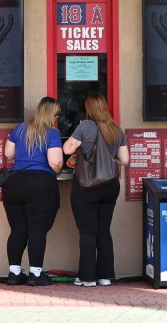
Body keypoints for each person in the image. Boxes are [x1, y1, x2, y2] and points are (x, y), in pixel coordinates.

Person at [62, 94, 129, 287]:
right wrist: (108, 161)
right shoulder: (116, 129)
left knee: (87, 232)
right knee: (104, 231)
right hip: (110, 186)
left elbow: (67, 149)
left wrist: (80, 142)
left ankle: (87, 277)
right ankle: (105, 276)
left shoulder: (85, 126)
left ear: (89, 109)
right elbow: (124, 160)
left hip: (87, 186)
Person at [2, 97, 63, 286]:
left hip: (14, 184)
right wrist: (59, 168)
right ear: (51, 114)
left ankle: (14, 273)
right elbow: (54, 162)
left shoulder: (20, 128)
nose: (57, 118)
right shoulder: (52, 133)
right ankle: (36, 274)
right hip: (40, 184)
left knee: (18, 230)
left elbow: (8, 154)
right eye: (56, 114)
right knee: (37, 230)